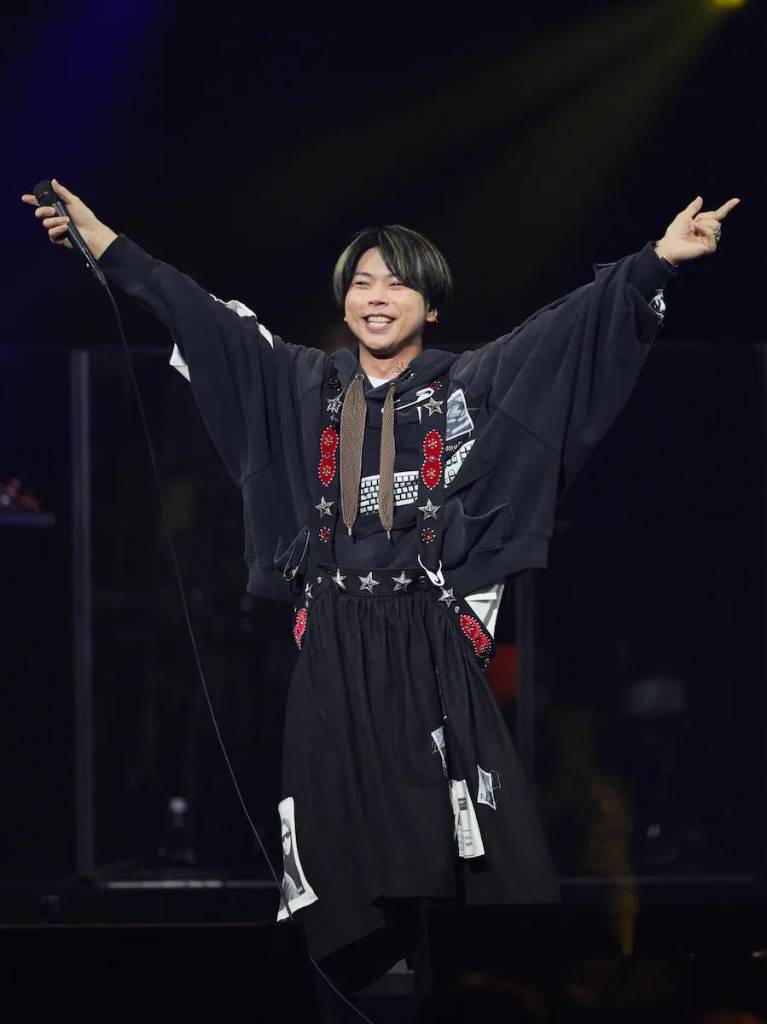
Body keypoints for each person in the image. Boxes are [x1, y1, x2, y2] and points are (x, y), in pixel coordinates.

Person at [22, 181, 739, 988]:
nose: (375, 297)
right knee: (335, 856)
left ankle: (471, 995)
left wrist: (656, 262)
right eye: (361, 282)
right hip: (330, 636)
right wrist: (106, 245)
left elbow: (567, 329)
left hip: (429, 637)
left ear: (430, 305)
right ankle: (357, 996)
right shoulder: (301, 383)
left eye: (396, 283)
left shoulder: (471, 382)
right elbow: (199, 314)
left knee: (452, 852)